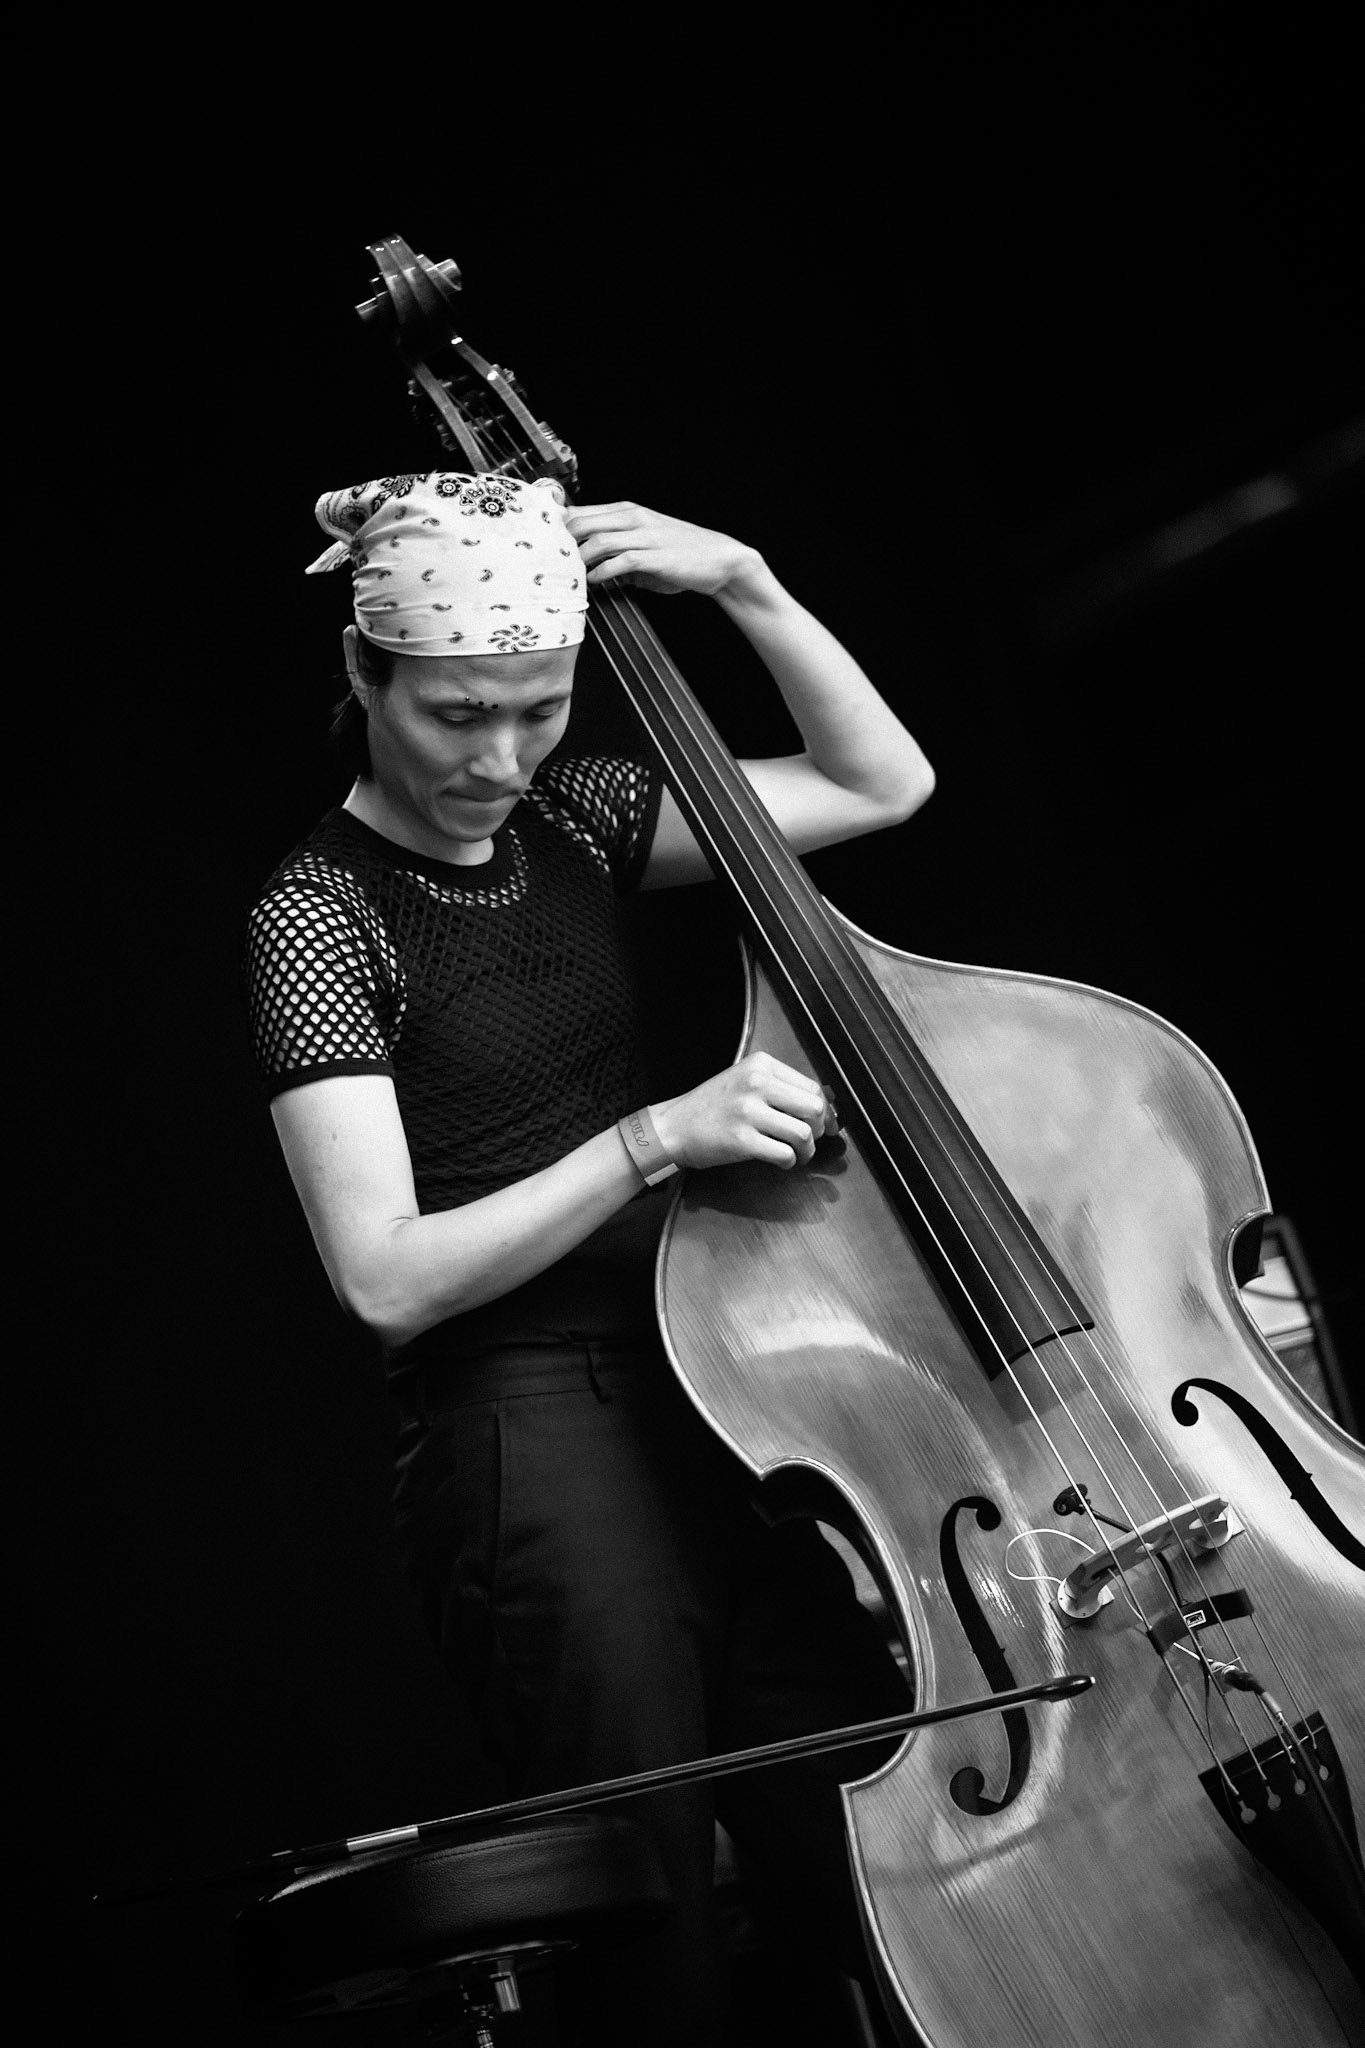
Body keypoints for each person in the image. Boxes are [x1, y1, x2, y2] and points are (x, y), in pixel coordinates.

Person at [244, 469, 936, 2044]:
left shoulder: (578, 813)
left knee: (877, 1858)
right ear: (362, 676)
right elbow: (384, 1279)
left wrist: (744, 579)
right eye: (455, 715)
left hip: (717, 1401)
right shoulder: (315, 918)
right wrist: (648, 1141)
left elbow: (881, 782)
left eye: (539, 709)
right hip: (530, 1446)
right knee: (662, 1946)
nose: (498, 760)